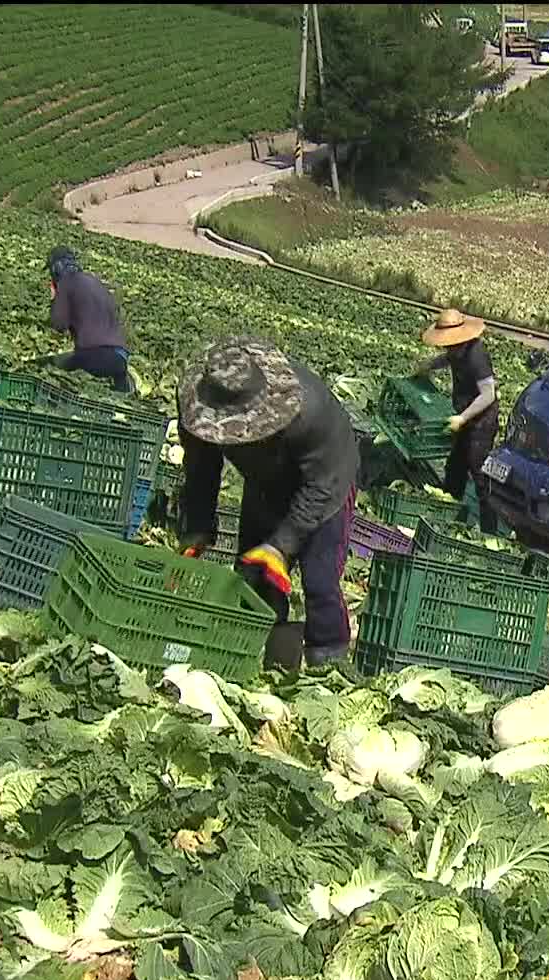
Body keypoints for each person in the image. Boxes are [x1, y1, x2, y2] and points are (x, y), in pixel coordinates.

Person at [176, 337, 359, 672]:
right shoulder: (195, 403)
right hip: (265, 481)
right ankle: (258, 656)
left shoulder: (309, 413)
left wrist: (282, 544)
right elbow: (201, 468)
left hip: (325, 481)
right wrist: (197, 527)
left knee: (320, 582)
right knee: (254, 574)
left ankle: (329, 661)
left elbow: (321, 486)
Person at [419, 309, 500, 535]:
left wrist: (463, 418)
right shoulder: (456, 349)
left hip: (481, 421)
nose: (448, 347)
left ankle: (489, 532)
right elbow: (449, 358)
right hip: (463, 415)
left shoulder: (476, 354)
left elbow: (488, 394)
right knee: (455, 467)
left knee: (480, 474)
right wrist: (430, 365)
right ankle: (449, 518)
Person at [45, 247, 132, 393]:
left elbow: (59, 324)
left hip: (96, 356)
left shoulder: (66, 283)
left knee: (47, 366)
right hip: (121, 358)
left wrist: (54, 298)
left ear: (56, 269)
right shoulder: (95, 282)